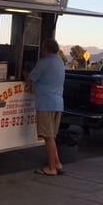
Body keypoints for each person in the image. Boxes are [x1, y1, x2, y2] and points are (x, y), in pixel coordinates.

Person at [25, 39, 65, 176]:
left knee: (48, 137)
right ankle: (58, 163)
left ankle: (51, 168)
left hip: (46, 103)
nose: (41, 50)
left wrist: (25, 74)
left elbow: (31, 78)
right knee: (52, 136)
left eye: (42, 48)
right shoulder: (60, 61)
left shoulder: (44, 62)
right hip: (58, 103)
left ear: (47, 49)